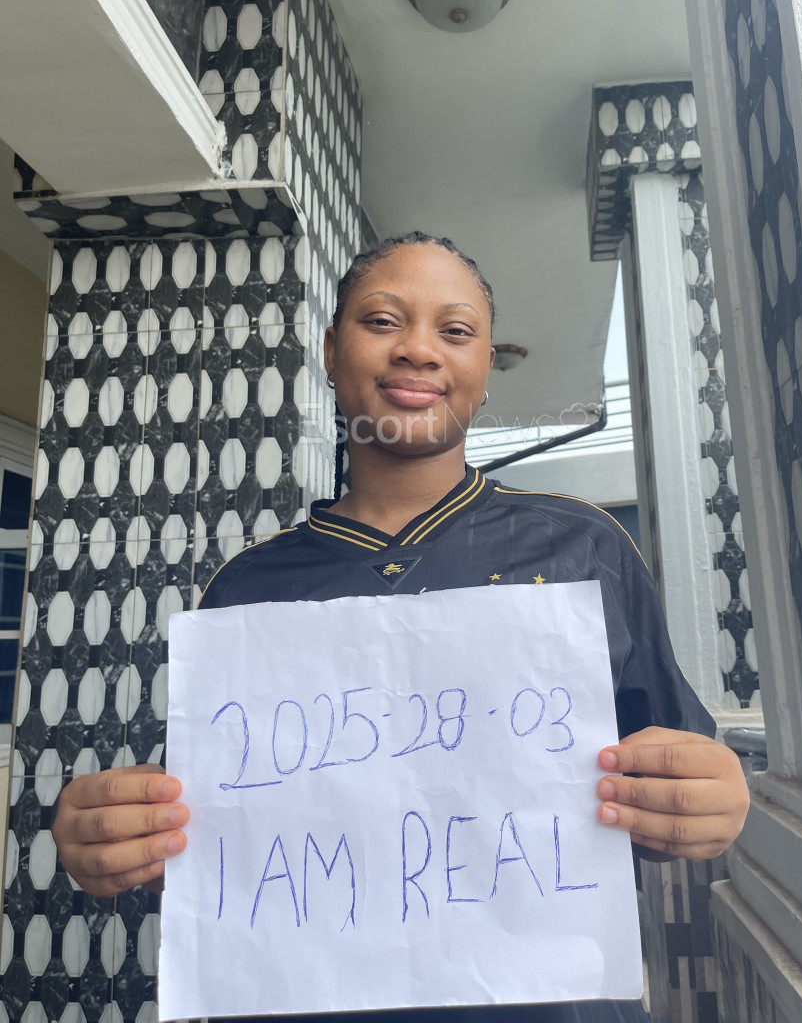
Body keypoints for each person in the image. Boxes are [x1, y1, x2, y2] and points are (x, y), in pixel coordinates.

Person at [52, 231, 749, 1023]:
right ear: (331, 350)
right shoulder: (245, 589)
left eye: (455, 330)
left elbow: (666, 784)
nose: (418, 349)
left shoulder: (585, 547)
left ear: (485, 368)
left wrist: (710, 800)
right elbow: (216, 833)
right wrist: (116, 838)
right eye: (383, 321)